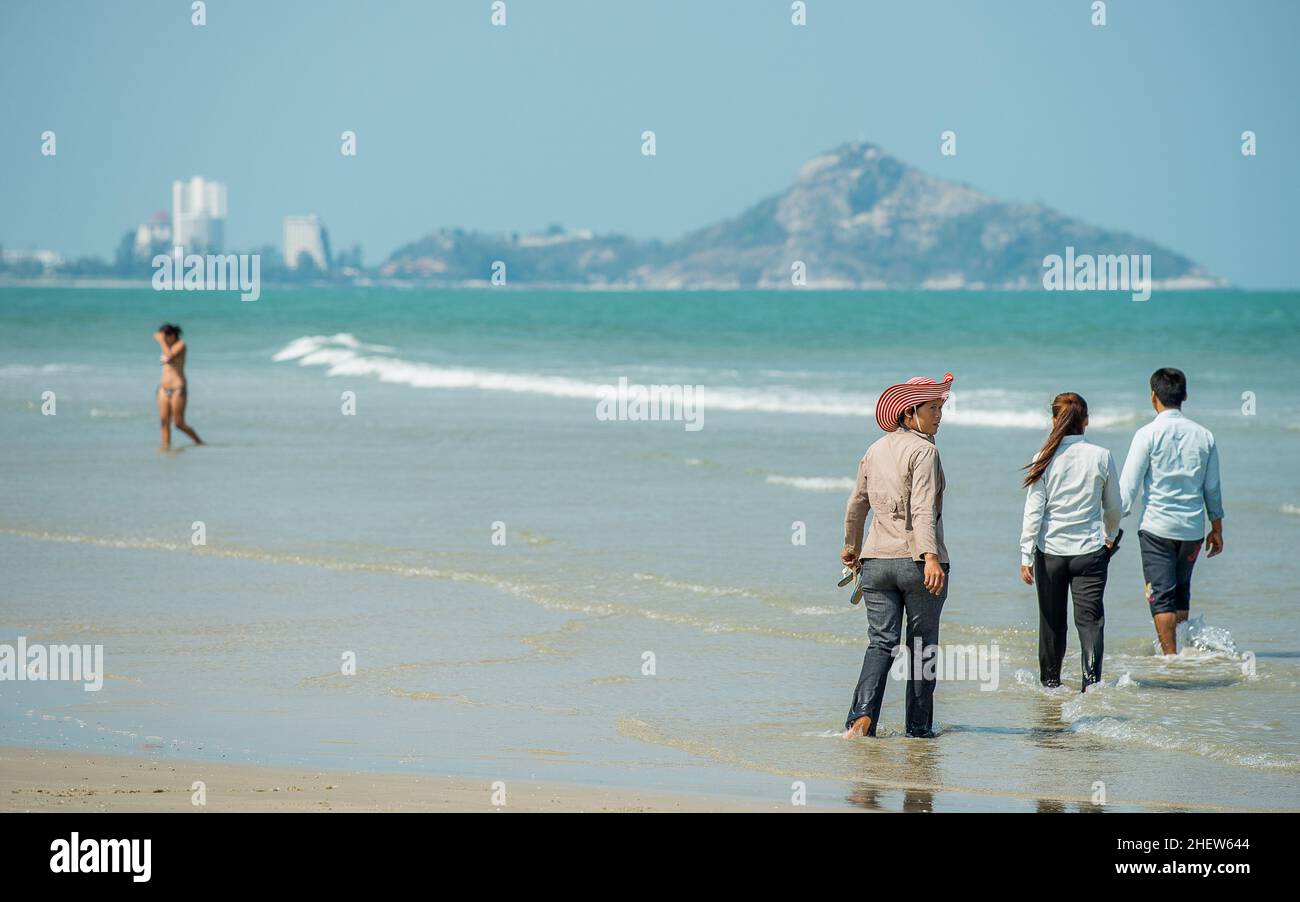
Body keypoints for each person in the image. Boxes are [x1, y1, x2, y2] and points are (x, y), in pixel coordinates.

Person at [841, 374, 954, 739]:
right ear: (909, 413)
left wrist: (851, 547)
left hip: (875, 564)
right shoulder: (926, 451)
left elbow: (857, 503)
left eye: (940, 408)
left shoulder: (874, 449)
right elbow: (922, 507)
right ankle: (919, 729)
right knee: (922, 649)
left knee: (880, 643)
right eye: (932, 408)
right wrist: (930, 555)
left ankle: (861, 718)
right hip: (916, 564)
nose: (939, 415)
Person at [1019, 392, 1121, 691]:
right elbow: (1114, 507)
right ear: (1086, 421)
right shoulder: (1101, 455)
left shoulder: (1043, 458)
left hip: (1049, 553)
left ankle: (1050, 686)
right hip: (1090, 551)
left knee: (1051, 623)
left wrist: (1026, 555)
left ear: (1054, 420)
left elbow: (1034, 511)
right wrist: (1110, 537)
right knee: (1090, 623)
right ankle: (1091, 687)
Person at [1119, 368, 1223, 655]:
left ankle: (1171, 658)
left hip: (1157, 529)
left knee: (1161, 596)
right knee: (1181, 591)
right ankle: (1181, 650)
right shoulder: (1204, 436)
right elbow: (1212, 488)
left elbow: (1128, 489)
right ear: (1185, 396)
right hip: (1192, 530)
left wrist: (1111, 523)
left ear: (1153, 396)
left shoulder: (1146, 434)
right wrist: (1217, 527)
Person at [153, 323, 203, 451]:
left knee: (178, 423)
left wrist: (160, 341)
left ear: (173, 335)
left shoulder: (180, 345)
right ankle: (165, 448)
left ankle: (199, 442)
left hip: (178, 389)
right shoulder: (167, 347)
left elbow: (169, 355)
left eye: (166, 337)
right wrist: (163, 341)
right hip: (163, 389)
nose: (164, 339)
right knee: (164, 422)